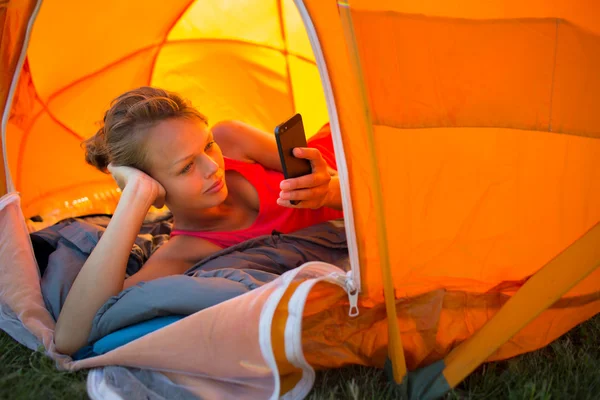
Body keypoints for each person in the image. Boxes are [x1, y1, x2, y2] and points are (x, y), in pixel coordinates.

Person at [54, 86, 344, 355]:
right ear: (152, 186)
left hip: (352, 139)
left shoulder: (232, 139)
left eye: (207, 145)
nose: (213, 167)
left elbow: (346, 179)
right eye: (187, 167)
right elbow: (70, 337)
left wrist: (328, 190)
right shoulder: (181, 253)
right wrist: (135, 195)